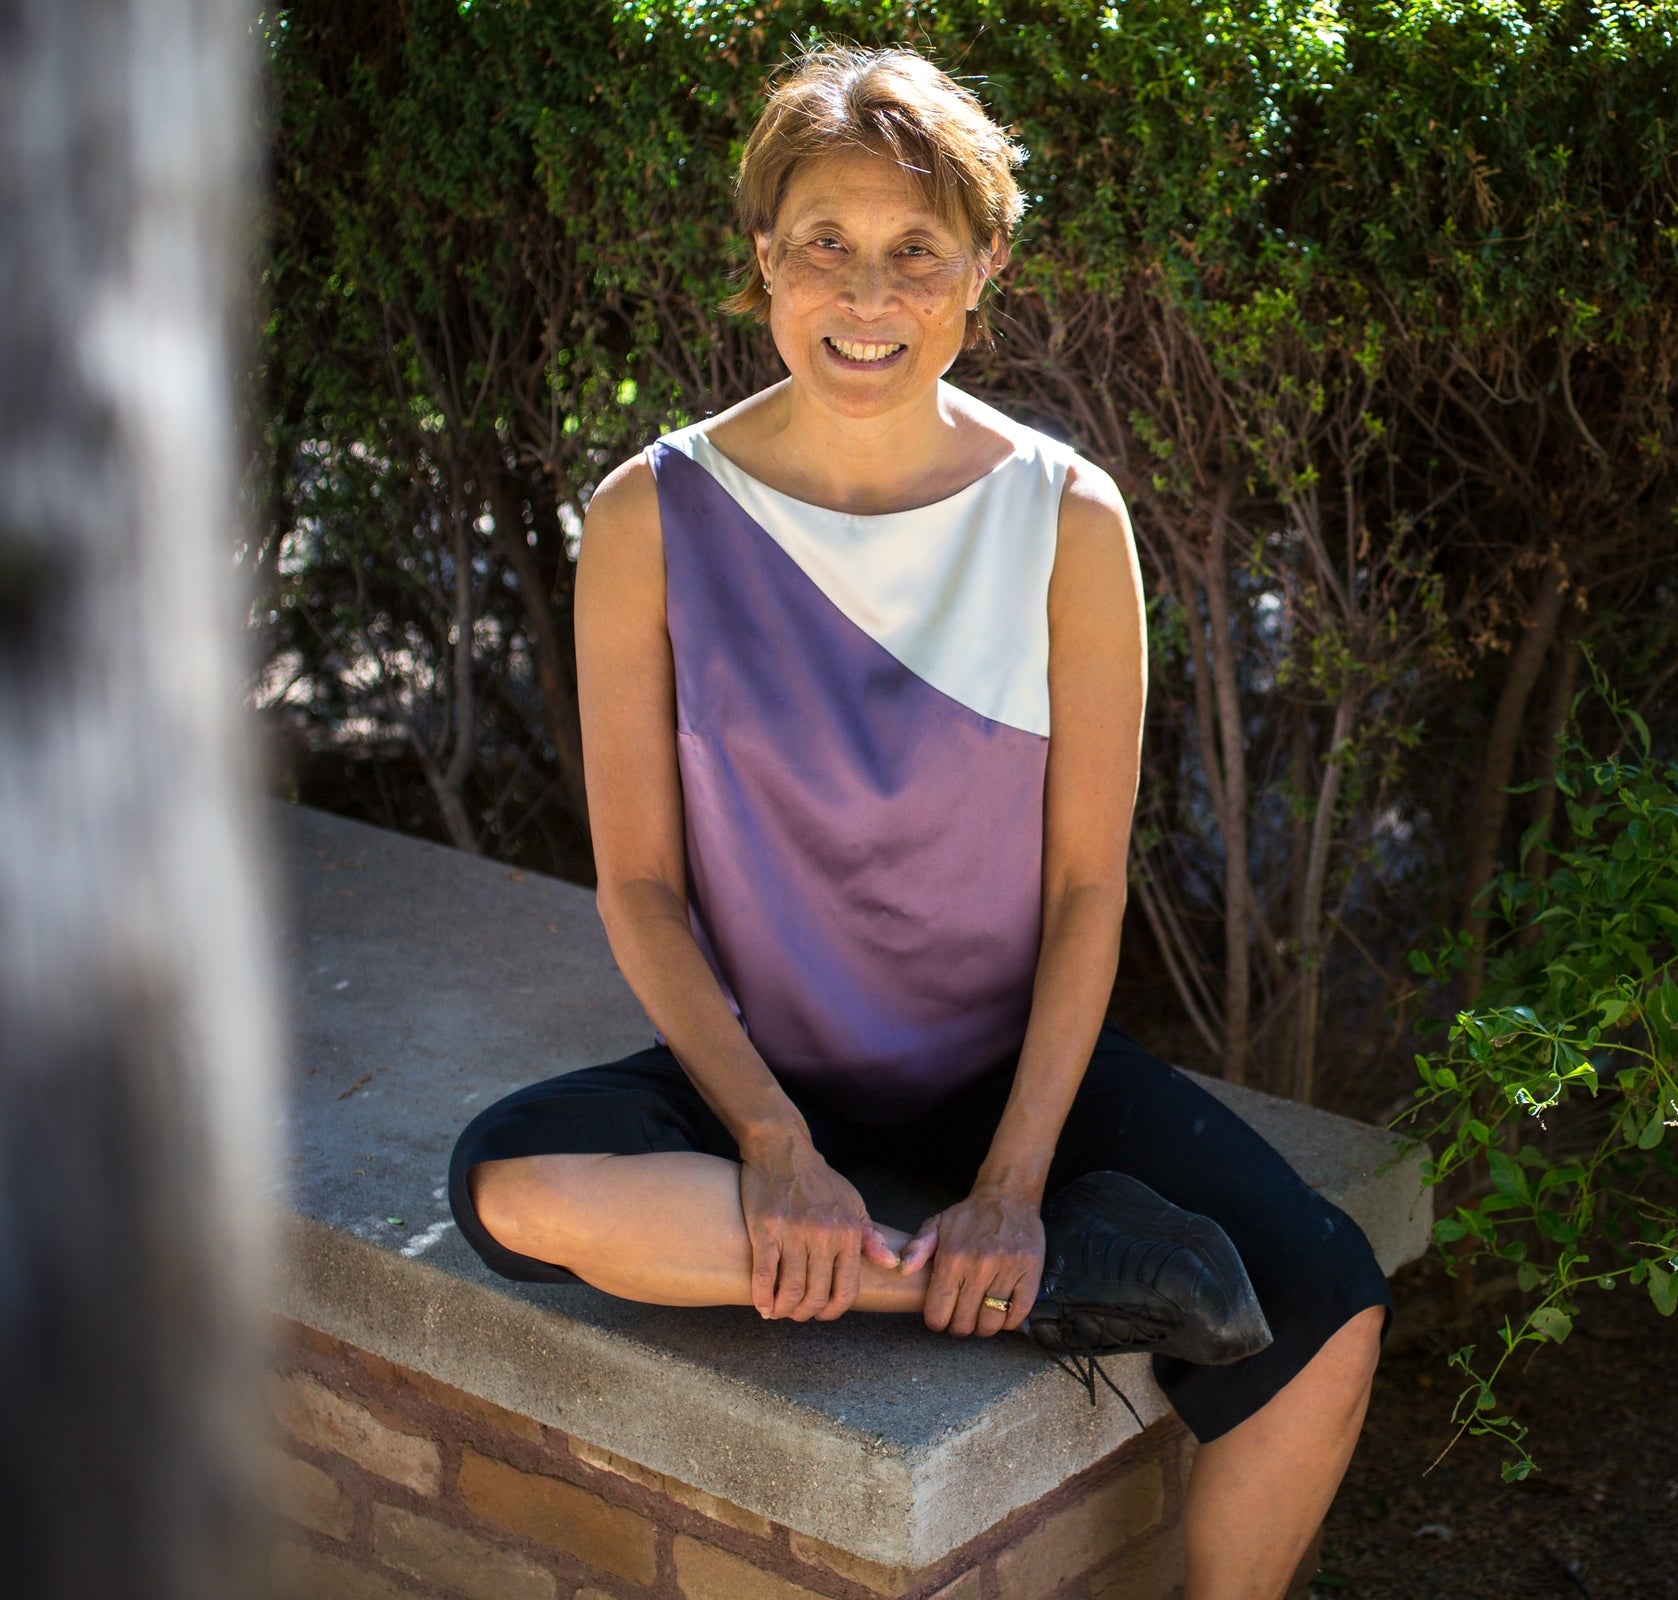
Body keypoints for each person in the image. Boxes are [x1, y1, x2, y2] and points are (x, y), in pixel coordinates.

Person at [445, 45, 1389, 1599]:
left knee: (1328, 1302)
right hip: (764, 1069)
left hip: (1005, 1077)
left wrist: (1014, 1182)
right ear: (764, 264)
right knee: (513, 1183)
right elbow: (636, 887)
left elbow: (1090, 886)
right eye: (825, 244)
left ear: (980, 273)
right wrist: (767, 1138)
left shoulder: (1067, 518)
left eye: (913, 253)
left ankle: (1038, 1251)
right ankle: (1047, 1280)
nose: (864, 295)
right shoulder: (649, 515)